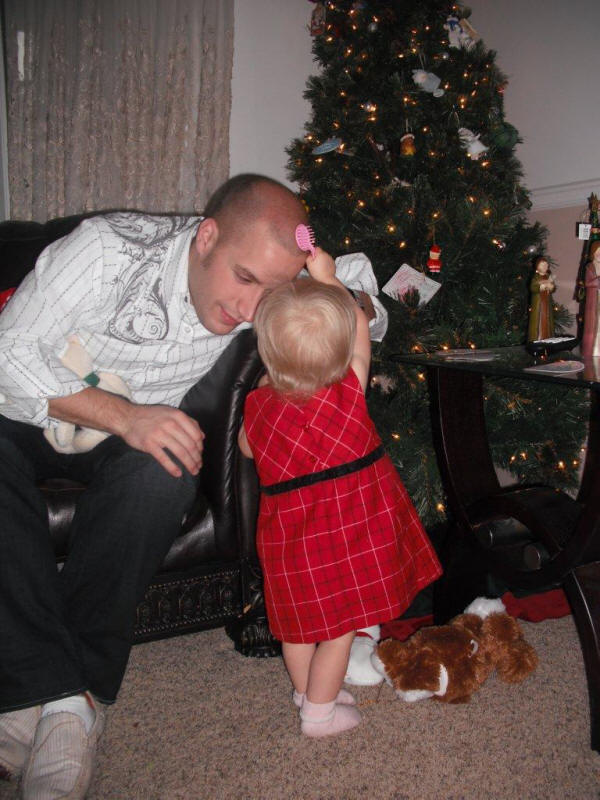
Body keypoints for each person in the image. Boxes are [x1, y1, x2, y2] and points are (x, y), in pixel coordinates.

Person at [0, 174, 385, 798]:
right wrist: (127, 416)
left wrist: (336, 286)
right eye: (243, 278)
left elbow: (366, 302)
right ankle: (49, 692)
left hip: (127, 440)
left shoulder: (264, 283)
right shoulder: (105, 250)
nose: (249, 310)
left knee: (169, 471)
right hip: (22, 412)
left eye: (270, 292)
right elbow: (7, 351)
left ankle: (63, 703)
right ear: (205, 238)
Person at [238, 247, 442, 738]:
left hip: (288, 541)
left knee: (297, 627)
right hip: (343, 538)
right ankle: (319, 713)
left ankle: (306, 691)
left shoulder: (258, 405)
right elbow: (359, 334)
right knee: (338, 630)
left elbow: (246, 448)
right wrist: (329, 279)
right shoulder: (347, 391)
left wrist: (269, 387)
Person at [527, 255, 555, 342]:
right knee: (537, 322)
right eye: (542, 265)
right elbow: (532, 287)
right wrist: (541, 287)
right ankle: (537, 338)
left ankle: (548, 338)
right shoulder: (535, 277)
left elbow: (553, 288)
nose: (544, 267)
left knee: (547, 320)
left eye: (546, 265)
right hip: (538, 304)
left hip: (546, 303)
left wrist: (551, 287)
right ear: (537, 266)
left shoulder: (548, 276)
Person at [582, 240, 600, 358]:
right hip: (594, 300)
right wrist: (598, 279)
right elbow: (588, 282)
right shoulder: (590, 267)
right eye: (598, 252)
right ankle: (593, 350)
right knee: (593, 324)